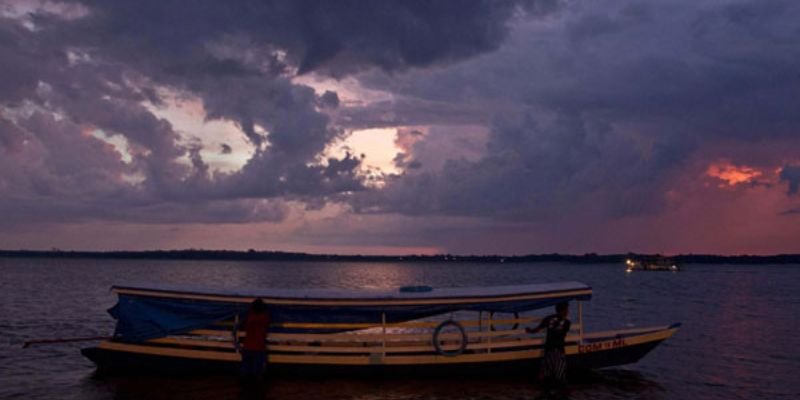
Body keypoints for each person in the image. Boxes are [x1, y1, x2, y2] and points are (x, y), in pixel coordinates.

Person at [527, 302, 571, 391]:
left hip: (549, 349)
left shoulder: (548, 319)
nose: (567, 312)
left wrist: (530, 331)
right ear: (563, 310)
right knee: (559, 373)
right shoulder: (567, 323)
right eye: (566, 310)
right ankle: (559, 389)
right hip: (559, 350)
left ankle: (543, 388)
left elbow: (537, 329)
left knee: (546, 371)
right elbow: (561, 330)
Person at [238, 298, 270, 381]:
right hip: (259, 348)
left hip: (248, 347)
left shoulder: (249, 317)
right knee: (257, 372)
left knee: (245, 371)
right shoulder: (264, 318)